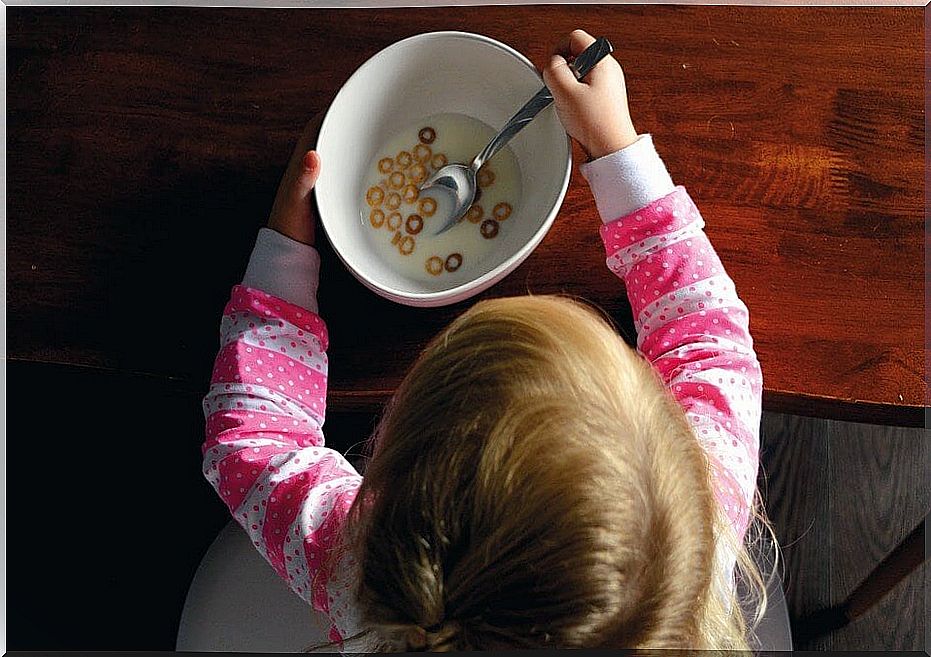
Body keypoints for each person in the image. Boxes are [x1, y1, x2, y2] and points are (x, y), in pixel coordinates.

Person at [202, 29, 776, 651]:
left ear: (390, 460)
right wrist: (618, 150)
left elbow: (253, 444)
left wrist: (286, 247)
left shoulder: (362, 571)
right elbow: (708, 339)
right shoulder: (700, 527)